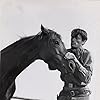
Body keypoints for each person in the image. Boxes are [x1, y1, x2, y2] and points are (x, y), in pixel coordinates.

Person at [57, 28, 93, 100]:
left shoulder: (86, 54)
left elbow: (86, 78)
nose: (73, 40)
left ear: (83, 41)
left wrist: (75, 60)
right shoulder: (65, 53)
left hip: (81, 95)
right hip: (65, 93)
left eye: (77, 38)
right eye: (72, 37)